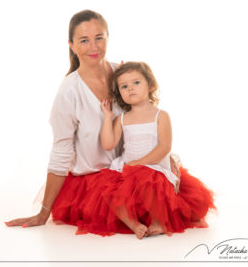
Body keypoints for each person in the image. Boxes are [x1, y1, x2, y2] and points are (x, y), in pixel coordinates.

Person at [4, 10, 180, 229]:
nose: (94, 47)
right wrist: (44, 212)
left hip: (134, 175)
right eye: (84, 41)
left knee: (165, 205)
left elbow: (143, 118)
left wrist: (162, 157)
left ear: (108, 37)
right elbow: (61, 152)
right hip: (99, 185)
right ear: (72, 45)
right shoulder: (69, 92)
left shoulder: (123, 75)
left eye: (99, 38)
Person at [73, 62, 215, 239]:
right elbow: (108, 144)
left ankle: (159, 221)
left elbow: (164, 147)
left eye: (136, 83)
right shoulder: (122, 118)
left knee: (152, 183)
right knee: (107, 189)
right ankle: (132, 223)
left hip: (155, 167)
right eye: (124, 86)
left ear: (150, 85)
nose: (130, 88)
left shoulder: (160, 116)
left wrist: (139, 164)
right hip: (128, 167)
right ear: (120, 93)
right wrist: (108, 118)